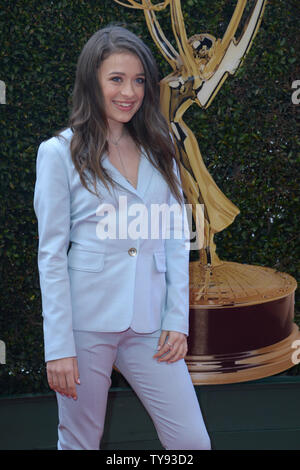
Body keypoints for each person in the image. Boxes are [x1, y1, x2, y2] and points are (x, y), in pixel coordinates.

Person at [33, 25, 211, 451]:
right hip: (84, 326)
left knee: (191, 441)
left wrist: (176, 319)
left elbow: (172, 238)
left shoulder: (161, 143)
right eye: (116, 79)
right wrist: (58, 347)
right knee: (79, 441)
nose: (128, 92)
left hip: (151, 325)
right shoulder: (58, 153)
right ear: (92, 82)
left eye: (138, 80)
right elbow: (51, 256)